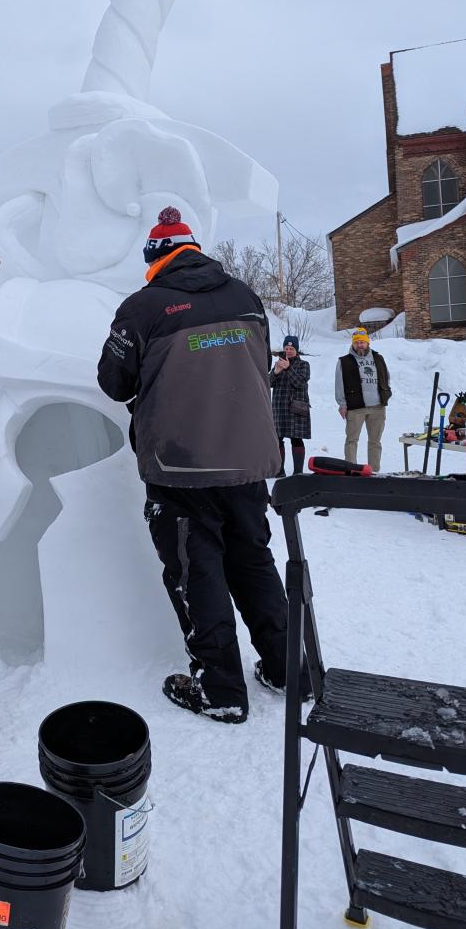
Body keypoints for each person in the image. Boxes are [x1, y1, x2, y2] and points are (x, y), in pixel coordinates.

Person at [97, 206, 290, 725]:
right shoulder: (246, 297)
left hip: (180, 467)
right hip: (247, 461)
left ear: (155, 260)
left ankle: (220, 688)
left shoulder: (143, 308)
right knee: (253, 561)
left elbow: (114, 383)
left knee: (196, 572)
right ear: (195, 250)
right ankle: (287, 668)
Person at [335, 327, 391, 472]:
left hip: (378, 407)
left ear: (368, 343)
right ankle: (351, 470)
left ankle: (374, 471)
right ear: (353, 344)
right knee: (352, 440)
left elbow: (386, 377)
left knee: (375, 441)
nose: (360, 345)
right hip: (355, 407)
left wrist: (386, 392)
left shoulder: (378, 358)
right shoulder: (344, 361)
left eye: (362, 342)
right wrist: (342, 404)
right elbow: (339, 384)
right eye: (357, 342)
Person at [270, 335, 311, 476]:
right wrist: (276, 372)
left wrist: (288, 369)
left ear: (297, 350)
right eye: (286, 348)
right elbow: (269, 383)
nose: (288, 351)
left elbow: (299, 382)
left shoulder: (304, 365)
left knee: (296, 439)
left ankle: (298, 472)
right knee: (278, 438)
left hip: (296, 407)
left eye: (291, 348)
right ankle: (279, 471)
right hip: (279, 407)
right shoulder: (278, 364)